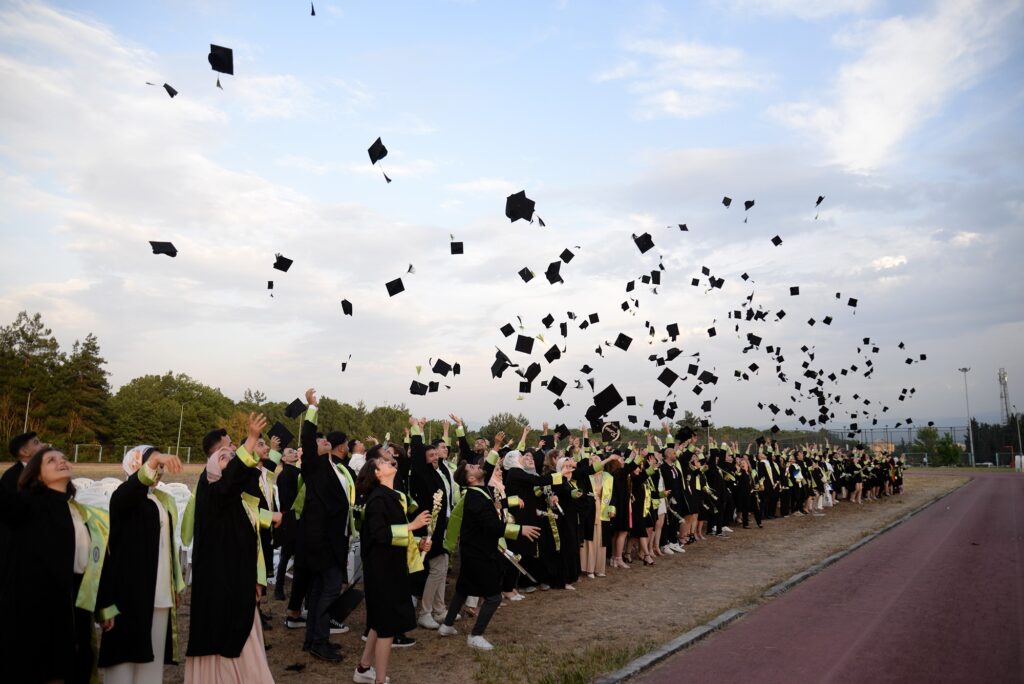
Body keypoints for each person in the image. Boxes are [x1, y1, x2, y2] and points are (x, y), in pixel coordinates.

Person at [0, 446, 112, 684]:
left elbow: (93, 563)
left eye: (63, 458)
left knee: (76, 668)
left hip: (76, 606)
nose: (61, 461)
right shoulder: (28, 505)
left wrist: (104, 605)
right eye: (51, 460)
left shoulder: (80, 512)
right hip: (38, 610)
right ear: (37, 475)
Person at [184, 413, 281, 683]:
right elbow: (233, 479)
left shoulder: (232, 497)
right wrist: (251, 438)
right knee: (225, 638)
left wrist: (254, 579)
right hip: (219, 586)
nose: (232, 456)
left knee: (243, 635)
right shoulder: (211, 489)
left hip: (237, 583)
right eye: (225, 455)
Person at [98, 445, 185, 684]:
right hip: (130, 591)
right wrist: (154, 461)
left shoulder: (161, 500)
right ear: (135, 464)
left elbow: (168, 546)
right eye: (154, 464)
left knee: (152, 665)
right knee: (123, 660)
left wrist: (175, 584)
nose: (160, 470)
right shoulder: (123, 496)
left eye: (161, 466)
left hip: (160, 592)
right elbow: (132, 489)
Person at [438, 459, 540, 650]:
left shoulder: (478, 492)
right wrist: (520, 529)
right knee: (494, 597)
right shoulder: (476, 499)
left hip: (472, 550)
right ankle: (475, 636)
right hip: (480, 554)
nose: (478, 466)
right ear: (470, 478)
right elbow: (492, 526)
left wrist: (496, 449)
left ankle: (447, 625)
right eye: (473, 467)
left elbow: (493, 500)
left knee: (463, 588)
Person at [353, 446, 431, 684]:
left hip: (391, 566)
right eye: (383, 463)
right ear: (377, 474)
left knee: (378, 622)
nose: (390, 463)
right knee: (386, 627)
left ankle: (363, 669)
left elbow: (393, 535)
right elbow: (379, 534)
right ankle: (379, 679)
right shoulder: (378, 499)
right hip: (382, 571)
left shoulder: (391, 496)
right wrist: (412, 526)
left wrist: (417, 543)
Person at [298, 388, 356, 661]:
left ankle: (312, 638)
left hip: (333, 538)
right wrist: (312, 408)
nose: (322, 442)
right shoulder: (314, 466)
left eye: (324, 441)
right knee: (330, 589)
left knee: (320, 590)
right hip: (321, 540)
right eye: (319, 441)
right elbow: (308, 438)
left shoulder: (334, 467)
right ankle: (320, 641)